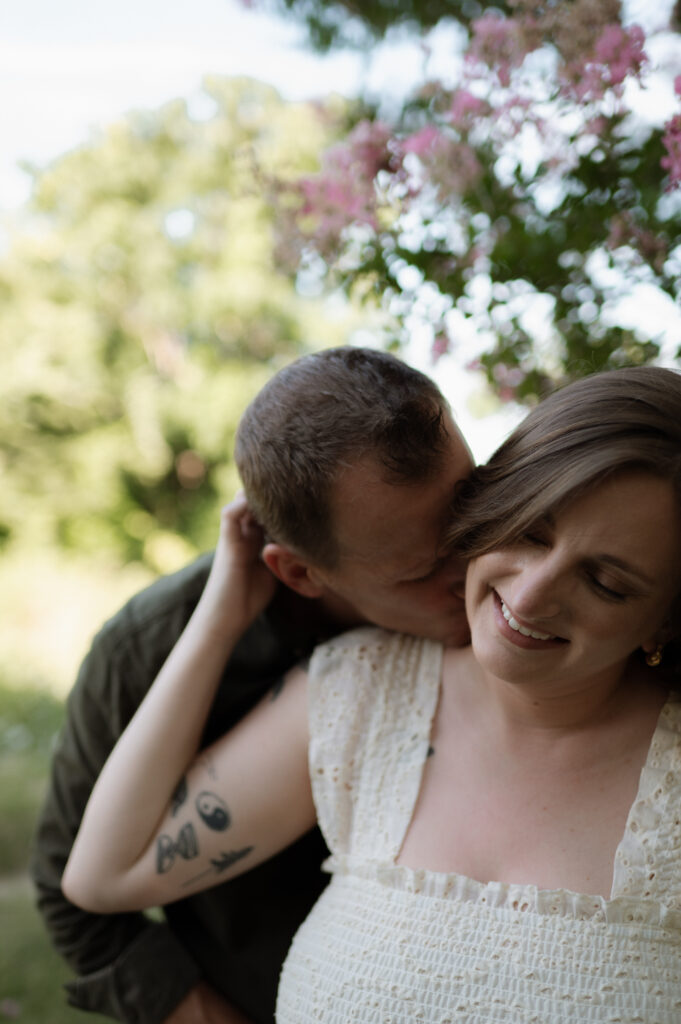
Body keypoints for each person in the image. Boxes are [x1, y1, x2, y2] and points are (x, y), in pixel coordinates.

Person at [63, 365, 681, 1022]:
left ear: (664, 621)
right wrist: (221, 616)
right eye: (528, 530)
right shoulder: (359, 690)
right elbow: (100, 877)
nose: (528, 598)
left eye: (607, 584)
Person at [30, 346, 473, 1024]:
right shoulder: (145, 649)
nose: (474, 573)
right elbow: (78, 906)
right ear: (297, 572)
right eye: (422, 572)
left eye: (472, 521)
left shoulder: (521, 575)